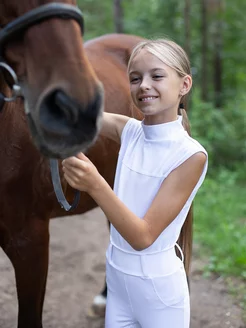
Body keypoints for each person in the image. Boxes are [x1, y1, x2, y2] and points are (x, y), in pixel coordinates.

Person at [62, 38, 208, 328]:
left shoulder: (190, 155)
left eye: (157, 76)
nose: (143, 85)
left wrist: (95, 184)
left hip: (158, 294)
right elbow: (80, 115)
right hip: (118, 283)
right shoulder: (129, 130)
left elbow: (143, 237)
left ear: (184, 85)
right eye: (135, 78)